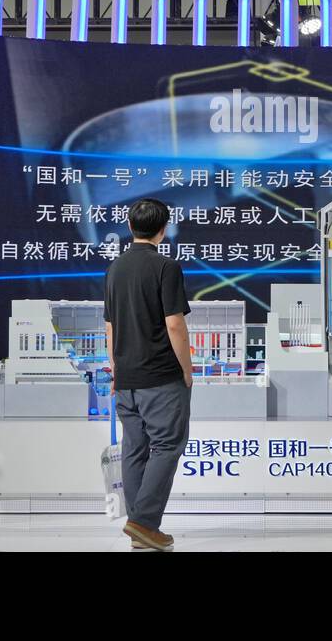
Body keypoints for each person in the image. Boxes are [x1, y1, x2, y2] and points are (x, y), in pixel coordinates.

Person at [104, 198, 194, 552]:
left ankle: (139, 525)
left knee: (135, 448)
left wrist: (116, 371)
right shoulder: (166, 267)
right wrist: (187, 369)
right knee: (168, 445)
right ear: (164, 229)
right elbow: (175, 324)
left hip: (126, 378)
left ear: (130, 227)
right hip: (161, 376)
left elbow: (110, 326)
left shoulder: (115, 269)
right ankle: (143, 523)